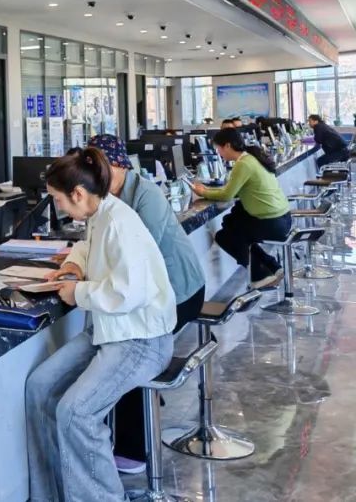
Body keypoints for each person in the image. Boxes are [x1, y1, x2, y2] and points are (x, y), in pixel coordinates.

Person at [25, 147, 176, 502]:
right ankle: (50, 494)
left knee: (76, 414)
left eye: (58, 199)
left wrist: (78, 292)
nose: (58, 207)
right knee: (40, 387)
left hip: (141, 340)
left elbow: (129, 292)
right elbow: (86, 246)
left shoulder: (119, 223)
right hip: (110, 332)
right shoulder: (99, 214)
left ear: (78, 193)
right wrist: (73, 266)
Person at [88, 134, 206, 475]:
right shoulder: (109, 198)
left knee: (127, 356)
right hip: (155, 294)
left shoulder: (146, 194)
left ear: (118, 164)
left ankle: (134, 449)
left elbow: (138, 252)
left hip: (181, 291)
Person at [191, 127, 291, 290]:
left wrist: (203, 192)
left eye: (219, 149)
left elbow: (227, 195)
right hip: (282, 218)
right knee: (231, 223)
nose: (219, 153)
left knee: (225, 235)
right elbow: (233, 191)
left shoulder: (243, 164)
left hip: (272, 223)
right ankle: (272, 266)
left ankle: (261, 275)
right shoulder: (251, 158)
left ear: (227, 145)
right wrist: (208, 190)